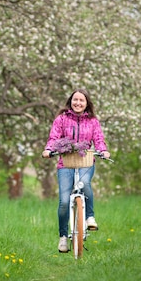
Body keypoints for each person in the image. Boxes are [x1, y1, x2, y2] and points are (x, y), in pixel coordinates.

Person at [42, 89, 110, 253]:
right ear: (70, 101)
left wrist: (103, 150)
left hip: (86, 161)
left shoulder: (93, 121)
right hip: (65, 163)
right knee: (64, 201)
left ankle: (90, 217)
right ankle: (63, 237)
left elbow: (99, 139)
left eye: (81, 100)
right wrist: (48, 150)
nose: (78, 103)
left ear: (87, 103)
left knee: (85, 183)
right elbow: (54, 137)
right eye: (75, 100)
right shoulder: (62, 119)